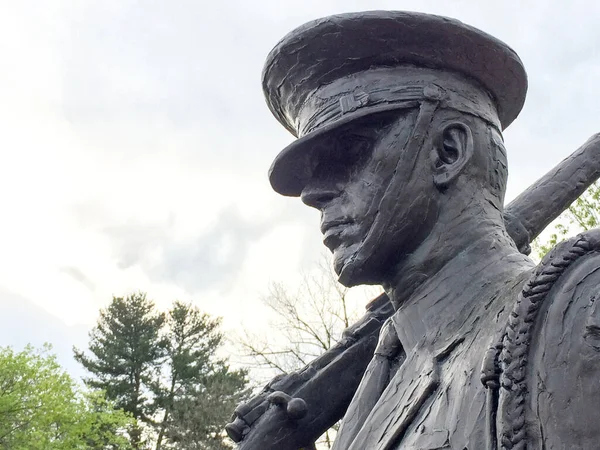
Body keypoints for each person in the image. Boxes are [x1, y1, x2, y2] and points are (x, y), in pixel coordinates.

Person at [231, 11, 600, 449]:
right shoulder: (382, 380)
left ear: (448, 151)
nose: (313, 194)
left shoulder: (581, 308)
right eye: (313, 172)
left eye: (350, 151)